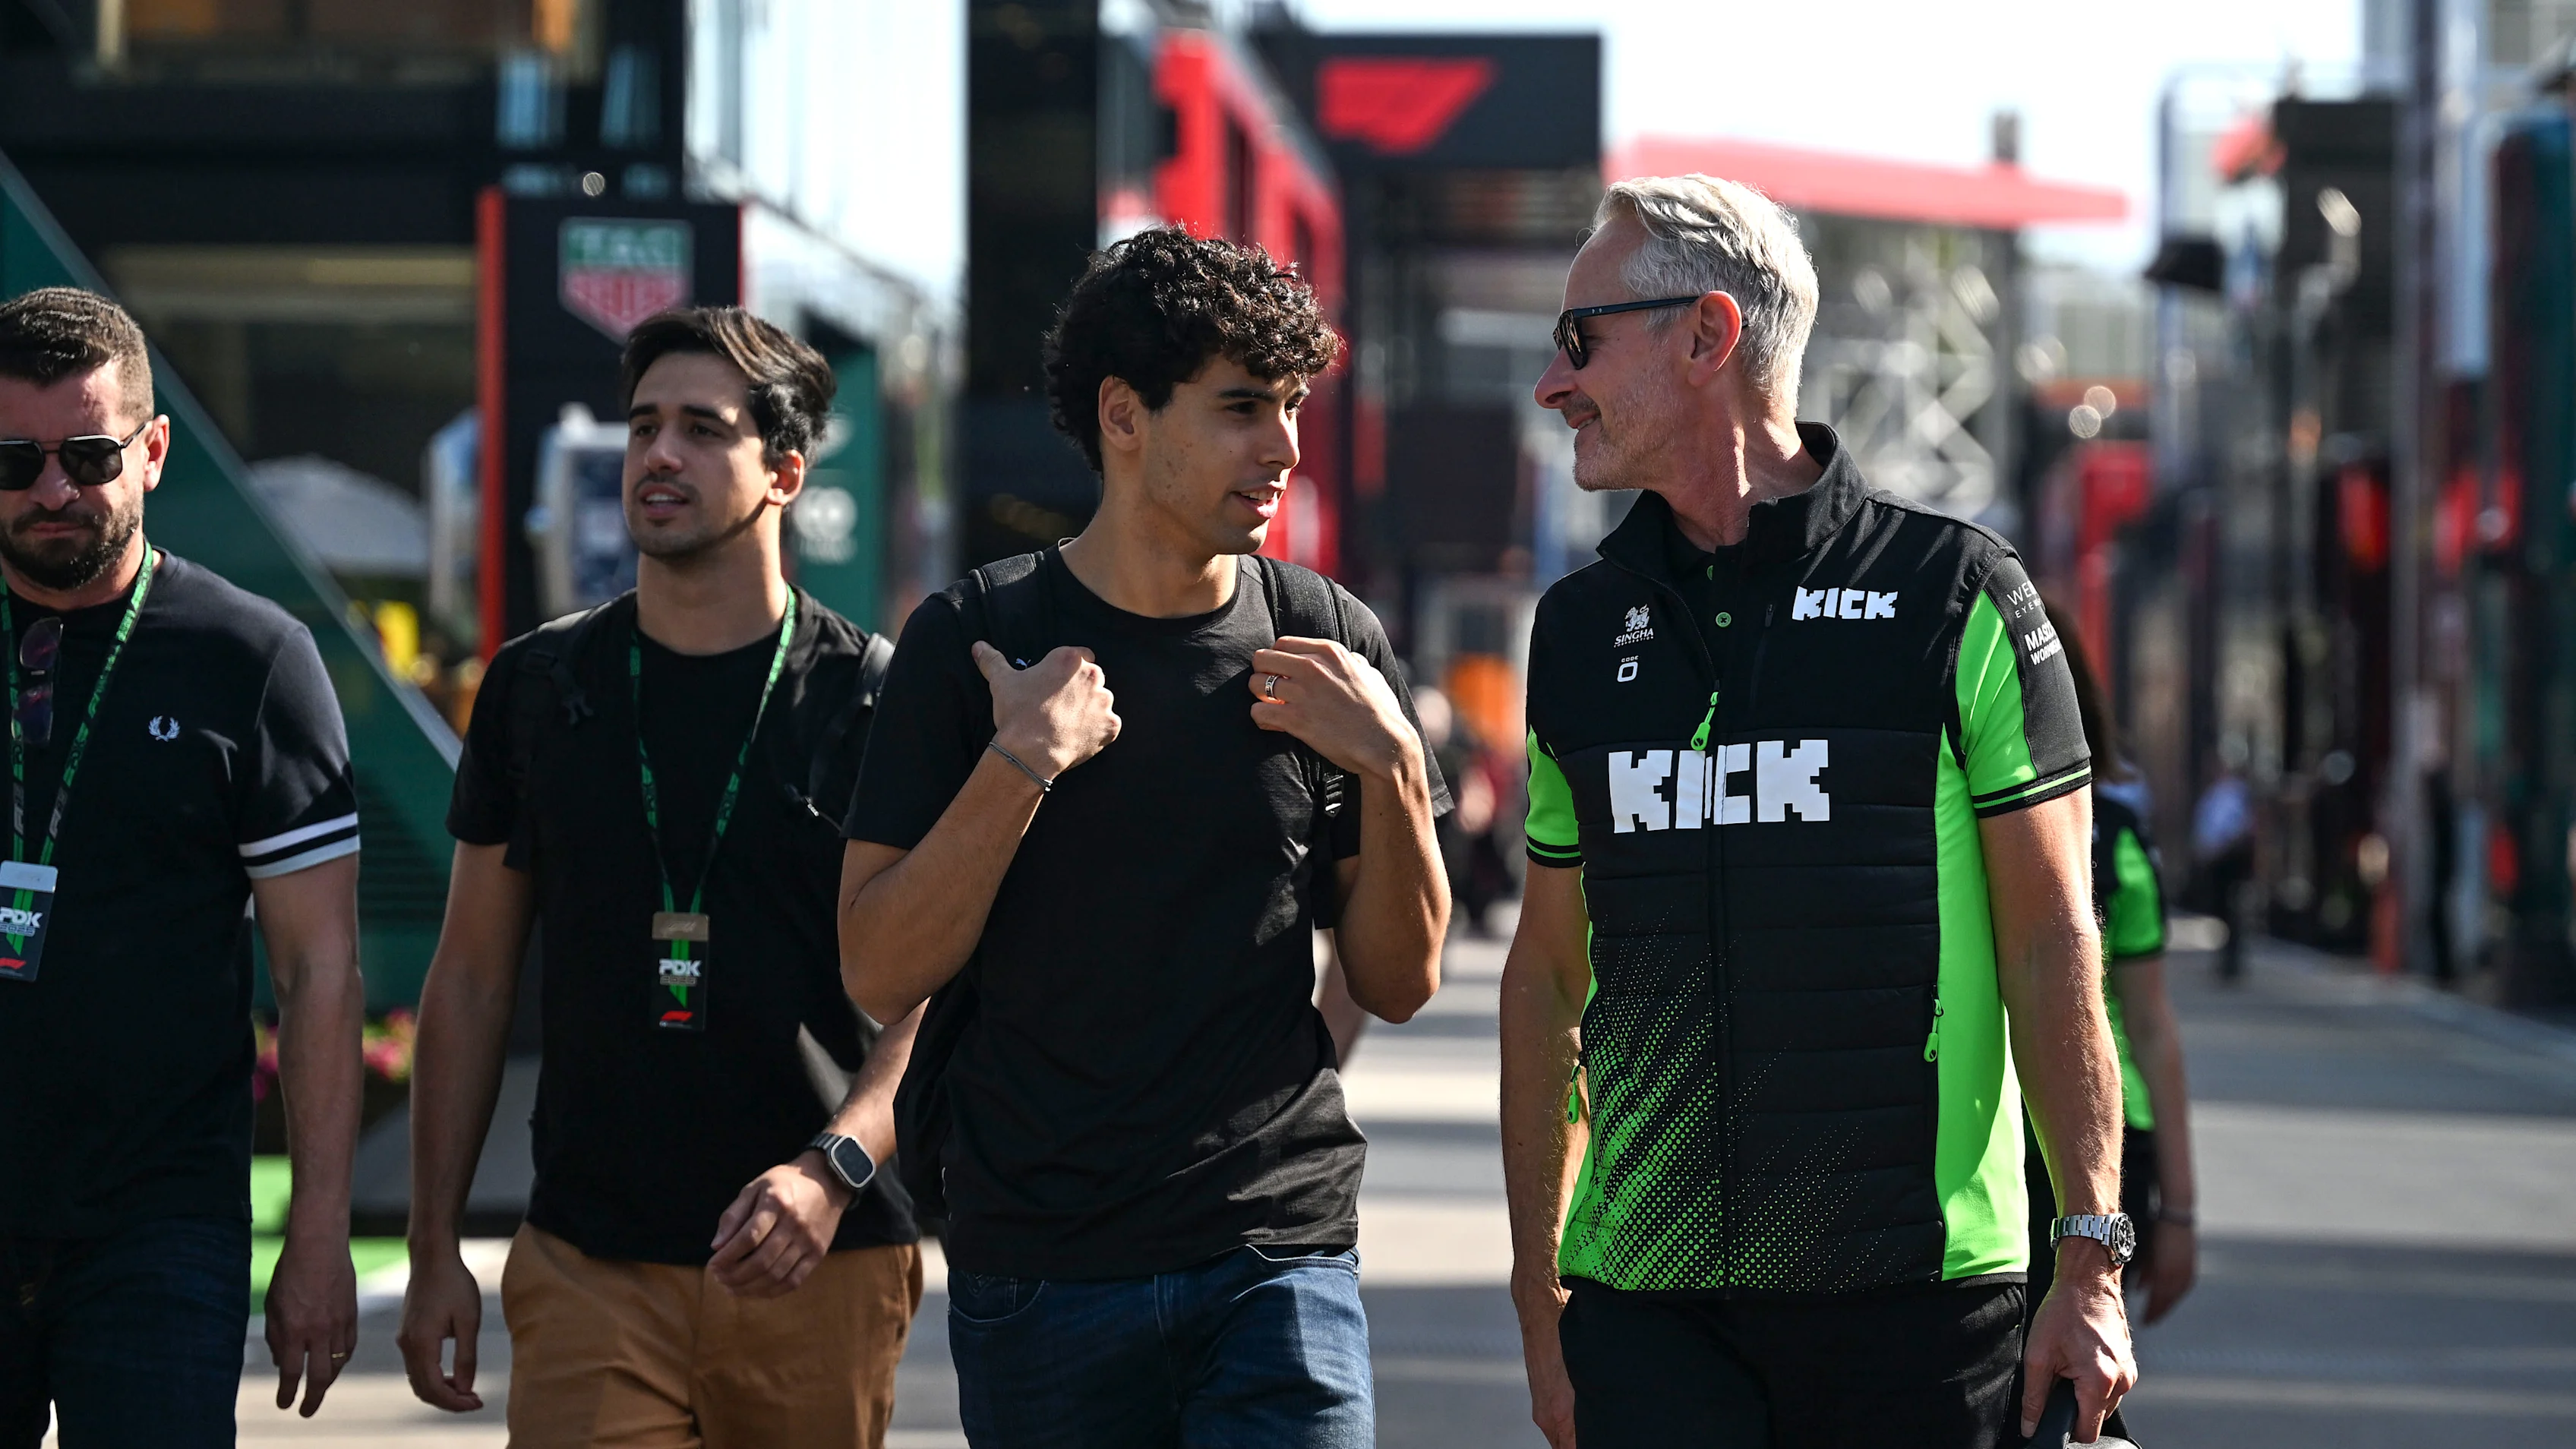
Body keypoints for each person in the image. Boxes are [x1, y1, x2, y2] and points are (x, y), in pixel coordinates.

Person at [1497, 175, 2139, 1449]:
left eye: (1579, 340)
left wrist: (2092, 1261)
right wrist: (1537, 1299)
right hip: (1650, 1312)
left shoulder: (1954, 592)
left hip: (1922, 1311)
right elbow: (1547, 977)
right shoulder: (1576, 630)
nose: (1550, 383)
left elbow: (2050, 939)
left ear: (1705, 336)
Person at [839, 228, 1451, 1449]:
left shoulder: (1325, 640)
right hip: (1045, 1270)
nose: (1281, 446)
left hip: (1278, 1252)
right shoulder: (975, 644)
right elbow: (878, 968)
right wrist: (1020, 763)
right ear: (1125, 415)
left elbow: (1398, 977)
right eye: (1240, 409)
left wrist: (1389, 763)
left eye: (1288, 406)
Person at [397, 306, 923, 1447]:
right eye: (643, 428)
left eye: (701, 428)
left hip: (815, 1259)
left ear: (784, 471)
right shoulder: (537, 688)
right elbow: (474, 977)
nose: (659, 456)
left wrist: (831, 1172)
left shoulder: (876, 700)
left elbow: (937, 993)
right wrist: (432, 1245)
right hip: (592, 1261)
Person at [0, 286, 365, 1442]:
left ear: (153, 453)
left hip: (159, 1222)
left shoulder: (253, 658)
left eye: (89, 453)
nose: (51, 489)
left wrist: (317, 1237)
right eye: (14, 459)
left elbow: (320, 973)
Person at [2024, 617, 2197, 1331]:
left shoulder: (2117, 836)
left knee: (2080, 1389)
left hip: (2106, 1143)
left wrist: (2181, 1211)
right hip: (1995, 1142)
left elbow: (2151, 1025)